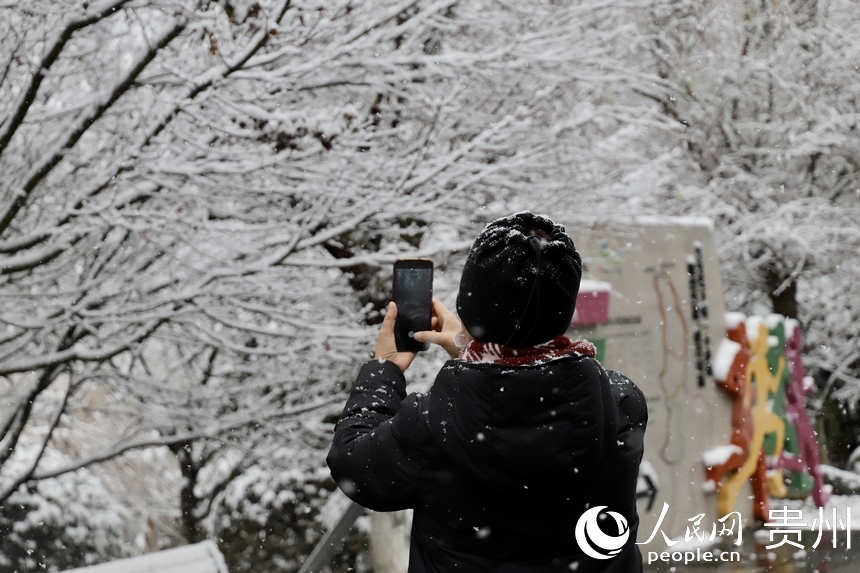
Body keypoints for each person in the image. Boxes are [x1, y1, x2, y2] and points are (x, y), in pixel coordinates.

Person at [327, 212, 647, 572]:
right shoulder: (620, 404)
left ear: (469, 307)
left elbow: (352, 463)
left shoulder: (432, 426)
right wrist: (478, 353)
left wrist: (384, 366)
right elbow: (526, 394)